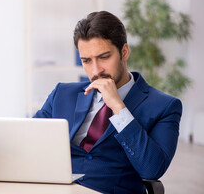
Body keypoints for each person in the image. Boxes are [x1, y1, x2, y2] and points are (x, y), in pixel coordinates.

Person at [33, 11, 182, 194]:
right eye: (86, 61)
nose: (96, 70)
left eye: (104, 57)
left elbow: (151, 169)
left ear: (124, 52)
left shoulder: (164, 106)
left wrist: (119, 108)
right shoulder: (62, 94)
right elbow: (30, 141)